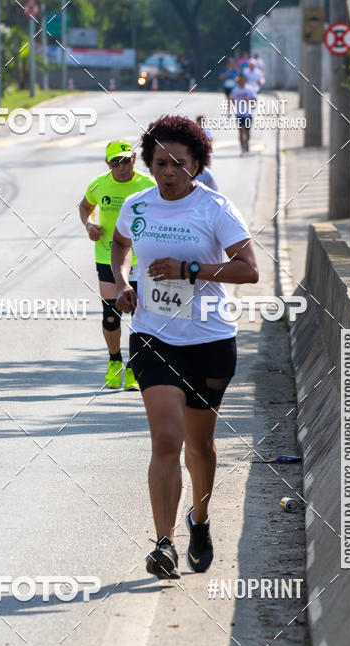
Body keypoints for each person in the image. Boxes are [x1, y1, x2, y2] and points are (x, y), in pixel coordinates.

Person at [111, 115, 258, 579]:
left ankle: (200, 518)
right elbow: (119, 245)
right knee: (167, 440)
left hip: (210, 338)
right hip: (154, 336)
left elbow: (248, 269)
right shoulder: (136, 205)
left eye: (179, 163)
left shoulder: (215, 208)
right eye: (160, 163)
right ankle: (164, 543)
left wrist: (190, 271)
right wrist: (122, 284)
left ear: (196, 164)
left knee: (201, 445)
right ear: (149, 164)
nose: (169, 172)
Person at [79, 141, 155, 389]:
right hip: (107, 256)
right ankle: (114, 362)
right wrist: (89, 225)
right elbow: (85, 206)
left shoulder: (148, 185)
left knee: (139, 315)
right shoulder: (99, 184)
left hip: (141, 259)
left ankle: (134, 367)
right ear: (108, 164)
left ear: (134, 158)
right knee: (111, 315)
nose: (121, 167)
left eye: (125, 160)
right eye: (115, 163)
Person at [231, 72, 258, 155]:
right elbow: (232, 99)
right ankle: (242, 149)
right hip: (239, 114)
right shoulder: (235, 90)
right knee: (240, 131)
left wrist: (249, 101)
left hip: (248, 113)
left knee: (247, 132)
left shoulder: (249, 89)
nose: (241, 81)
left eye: (243, 79)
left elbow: (255, 100)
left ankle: (247, 143)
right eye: (240, 79)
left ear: (245, 80)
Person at [194, 116, 218, 191]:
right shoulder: (194, 132)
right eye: (200, 121)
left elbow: (210, 142)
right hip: (197, 155)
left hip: (206, 155)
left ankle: (205, 185)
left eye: (203, 121)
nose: (201, 123)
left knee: (206, 172)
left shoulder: (207, 132)